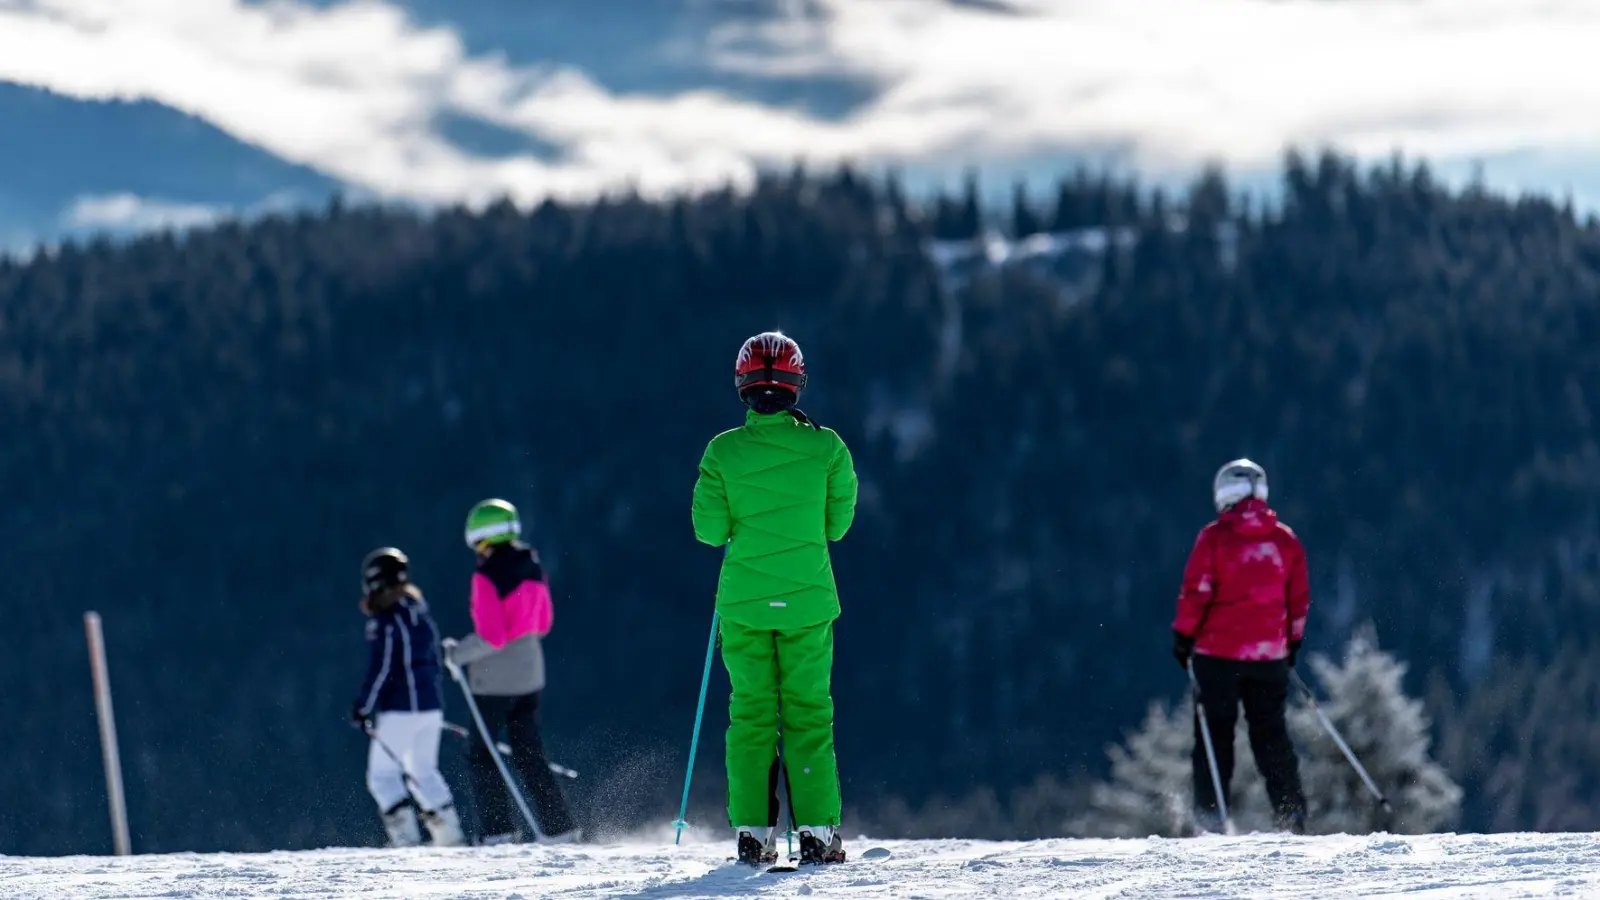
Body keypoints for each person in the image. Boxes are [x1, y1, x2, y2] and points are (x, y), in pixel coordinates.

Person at [691, 331, 858, 867]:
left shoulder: (722, 451)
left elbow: (709, 532)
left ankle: (753, 833)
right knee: (809, 712)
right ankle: (817, 832)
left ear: (742, 384)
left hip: (744, 605)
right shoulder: (828, 448)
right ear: (797, 384)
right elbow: (838, 525)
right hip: (808, 603)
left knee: (751, 715)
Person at [1171, 459, 1310, 834]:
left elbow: (1196, 592)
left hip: (1217, 655)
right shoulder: (1285, 540)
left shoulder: (1214, 538)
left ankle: (1211, 816)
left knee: (1215, 734)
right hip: (1269, 656)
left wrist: (1183, 637)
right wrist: (1292, 643)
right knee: (1271, 734)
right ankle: (1291, 812)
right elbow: (1298, 600)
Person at [441, 498, 580, 845]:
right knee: (529, 754)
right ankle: (560, 828)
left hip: (494, 681)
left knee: (482, 754)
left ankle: (498, 832)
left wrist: (456, 654)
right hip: (531, 674)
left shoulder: (486, 575)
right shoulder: (532, 565)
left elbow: (492, 636)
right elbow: (543, 623)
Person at [351, 547, 465, 848]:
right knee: (423, 771)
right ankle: (451, 838)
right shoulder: (419, 614)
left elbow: (382, 667)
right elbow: (433, 661)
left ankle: (407, 842)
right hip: (430, 707)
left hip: (400, 710)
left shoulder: (386, 621)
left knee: (382, 777)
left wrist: (362, 706)